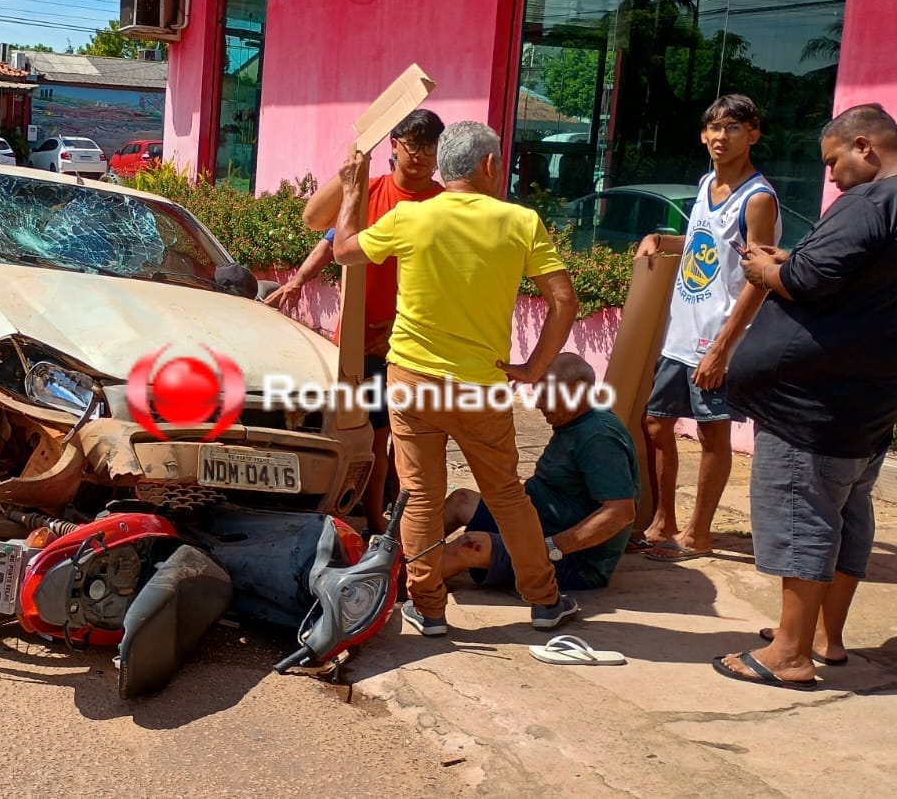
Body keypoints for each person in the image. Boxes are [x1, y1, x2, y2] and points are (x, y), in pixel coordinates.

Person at [331, 120, 582, 635]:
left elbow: (344, 249)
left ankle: (428, 609)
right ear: (489, 165)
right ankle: (544, 601)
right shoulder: (521, 222)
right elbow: (564, 301)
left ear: (446, 165)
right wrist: (533, 369)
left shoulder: (411, 217)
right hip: (479, 389)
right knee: (508, 495)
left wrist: (354, 190)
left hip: (411, 382)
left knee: (421, 497)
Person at [714, 103, 897, 689]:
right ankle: (825, 636)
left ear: (864, 146)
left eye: (834, 161)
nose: (832, 176)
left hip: (811, 407)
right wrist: (795, 261)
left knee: (804, 515)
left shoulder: (869, 203)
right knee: (847, 513)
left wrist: (767, 269)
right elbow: (855, 276)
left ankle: (789, 654)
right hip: (868, 404)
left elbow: (808, 281)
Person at [264, 109, 447, 533]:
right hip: (355, 343)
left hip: (411, 344)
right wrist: (297, 282)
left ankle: (397, 522)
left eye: (430, 146)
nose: (421, 155)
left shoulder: (443, 205)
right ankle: (365, 517)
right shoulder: (368, 192)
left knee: (404, 441)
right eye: (412, 144)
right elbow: (325, 235)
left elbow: (452, 274)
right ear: (394, 145)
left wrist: (400, 325)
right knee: (362, 434)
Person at [634, 94, 781, 562]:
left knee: (713, 434)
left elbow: (759, 278)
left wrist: (722, 348)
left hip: (719, 339)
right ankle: (664, 521)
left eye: (733, 128)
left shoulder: (757, 199)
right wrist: (661, 238)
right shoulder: (705, 183)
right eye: (714, 128)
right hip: (682, 333)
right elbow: (707, 247)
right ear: (703, 135)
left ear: (753, 134)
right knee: (657, 423)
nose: (721, 137)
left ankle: (698, 534)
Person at [438, 353, 638, 593]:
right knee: (461, 500)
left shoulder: (598, 437)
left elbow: (620, 512)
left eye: (547, 395)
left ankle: (408, 584)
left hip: (573, 562)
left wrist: (549, 548)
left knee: (469, 546)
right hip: (529, 525)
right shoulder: (576, 420)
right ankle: (394, 558)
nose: (540, 404)